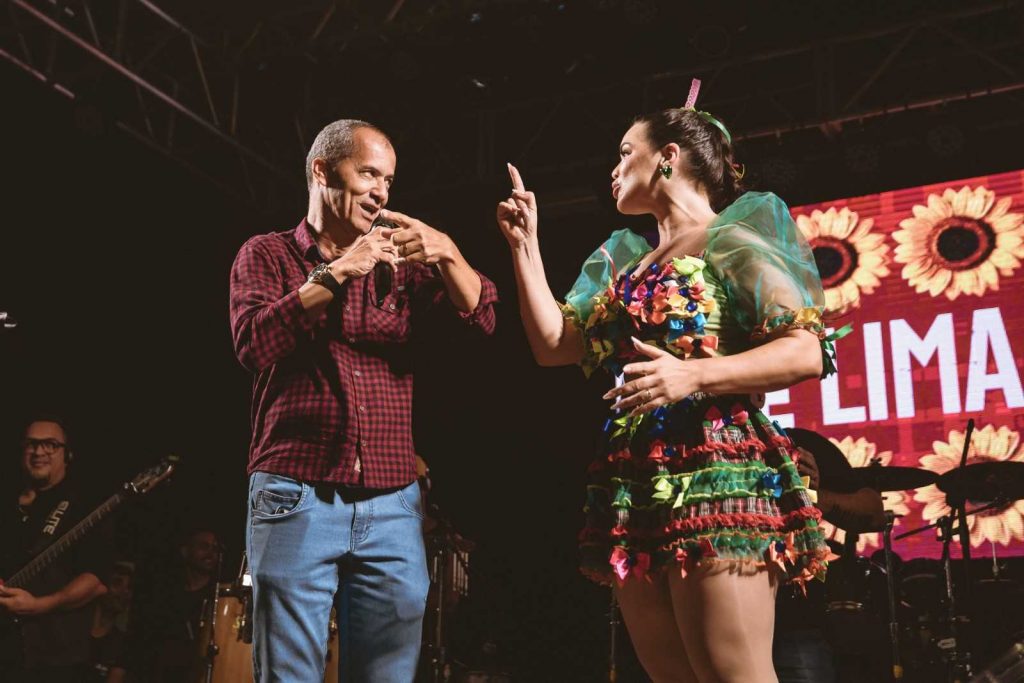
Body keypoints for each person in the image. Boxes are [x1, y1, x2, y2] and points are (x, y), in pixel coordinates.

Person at [496, 80, 840, 682]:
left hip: (717, 467)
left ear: (669, 156)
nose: (614, 168)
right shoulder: (629, 261)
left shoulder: (731, 239)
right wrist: (526, 247)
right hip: (637, 482)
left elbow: (806, 351)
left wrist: (695, 375)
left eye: (625, 152)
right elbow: (555, 345)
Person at [229, 119, 498, 682]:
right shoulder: (268, 254)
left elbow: (482, 317)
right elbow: (254, 343)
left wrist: (448, 253)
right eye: (369, 173)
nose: (381, 190)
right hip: (295, 493)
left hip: (392, 504)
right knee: (288, 675)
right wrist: (335, 274)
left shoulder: (400, 267)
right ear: (323, 171)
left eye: (389, 180)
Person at [0, 415, 109, 683]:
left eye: (50, 444)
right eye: (32, 444)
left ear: (67, 454)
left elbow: (97, 581)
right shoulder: (7, 501)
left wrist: (39, 605)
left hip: (56, 658)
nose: (39, 452)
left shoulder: (85, 506)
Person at [773, 427, 885, 683]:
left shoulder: (793, 443)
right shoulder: (686, 445)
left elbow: (874, 513)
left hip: (793, 626)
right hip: (707, 624)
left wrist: (810, 496)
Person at [111, 526, 220, 683]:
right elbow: (137, 643)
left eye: (215, 549)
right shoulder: (164, 594)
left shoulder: (218, 597)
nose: (211, 553)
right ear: (185, 551)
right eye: (204, 546)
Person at [87, 561, 133, 683]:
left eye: (129, 588)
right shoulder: (74, 627)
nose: (124, 592)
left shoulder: (121, 645)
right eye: (117, 583)